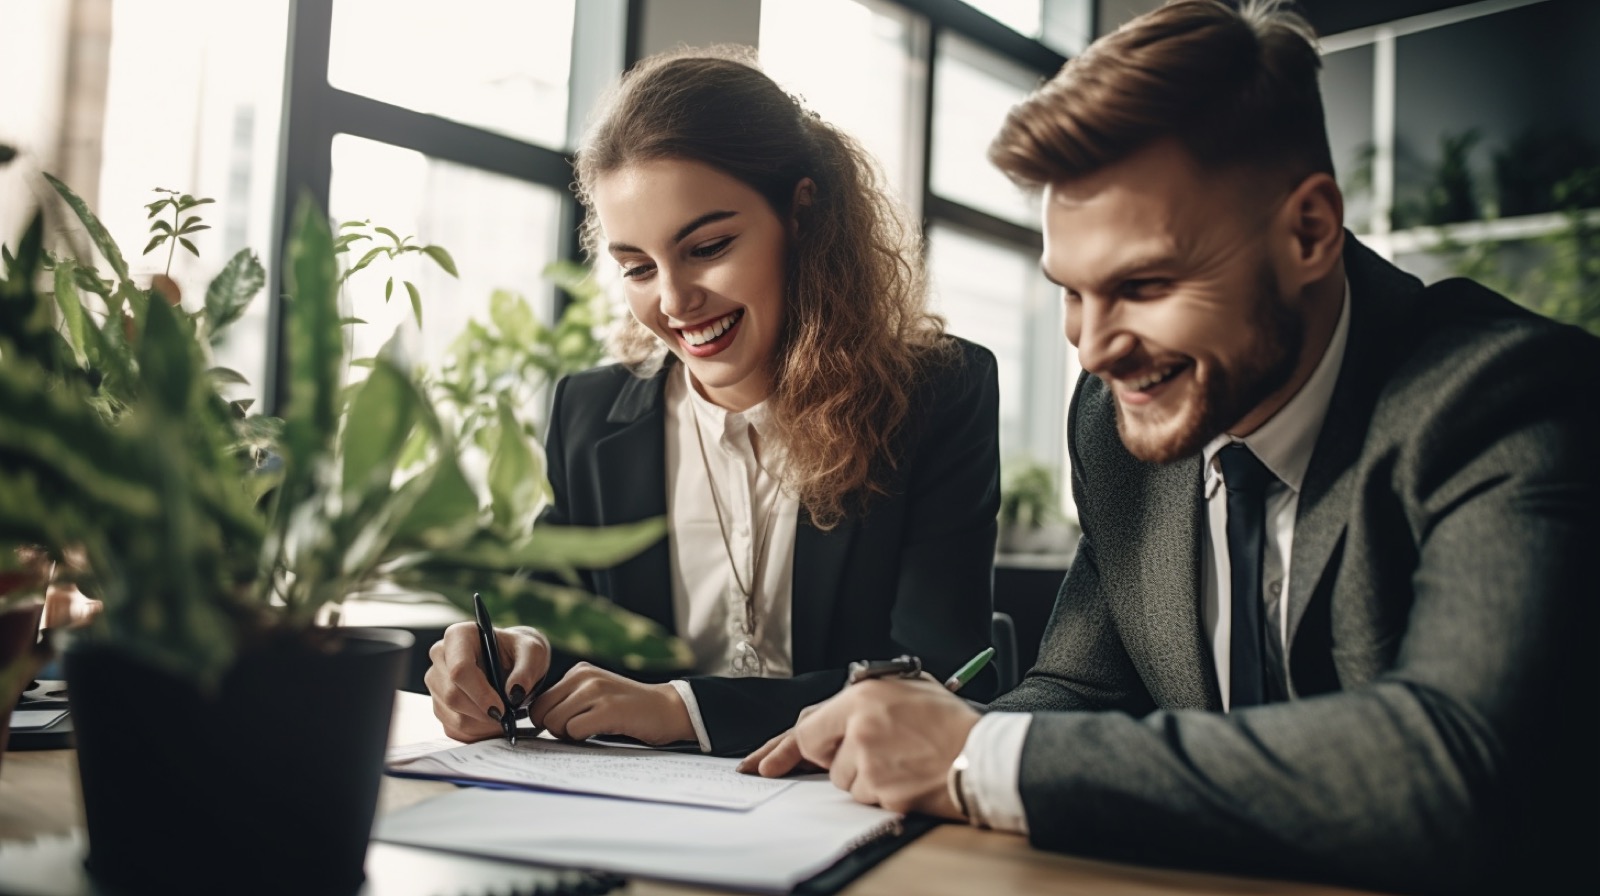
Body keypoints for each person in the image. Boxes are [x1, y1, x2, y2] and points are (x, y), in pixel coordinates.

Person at [742, 2, 1600, 893]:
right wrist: (901, 742)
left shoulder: (1506, 397)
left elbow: (1455, 768)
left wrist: (980, 754)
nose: (1094, 346)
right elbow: (1076, 692)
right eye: (1071, 292)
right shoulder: (1113, 423)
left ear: (1309, 232)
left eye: (1143, 284)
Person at [425, 47, 1000, 758]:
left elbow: (940, 673)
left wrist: (684, 710)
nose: (671, 301)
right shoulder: (590, 412)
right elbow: (552, 614)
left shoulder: (937, 395)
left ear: (802, 213)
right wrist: (507, 655)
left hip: (860, 809)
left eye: (707, 247)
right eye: (636, 267)